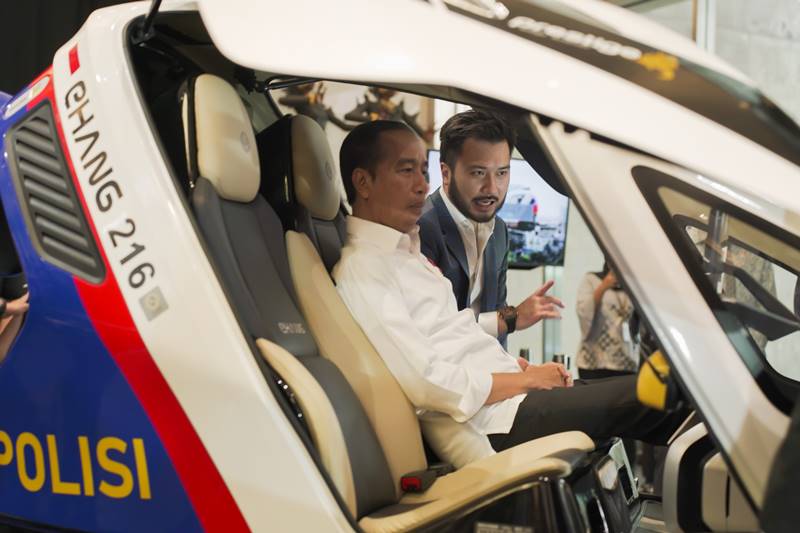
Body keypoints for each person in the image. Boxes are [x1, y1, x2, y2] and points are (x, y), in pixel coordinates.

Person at [333, 120, 685, 466]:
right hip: (492, 420)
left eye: (422, 171)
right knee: (666, 396)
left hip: (506, 398)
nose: (421, 185)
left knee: (661, 392)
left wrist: (518, 368)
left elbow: (456, 337)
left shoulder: (408, 254)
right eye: (406, 171)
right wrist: (524, 379)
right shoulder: (365, 267)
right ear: (363, 182)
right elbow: (427, 384)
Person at [418, 110, 562, 346]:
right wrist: (510, 319)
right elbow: (431, 331)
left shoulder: (500, 231)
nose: (492, 188)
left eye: (502, 173)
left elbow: (496, 325)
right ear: (446, 173)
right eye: (478, 173)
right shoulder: (421, 228)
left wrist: (512, 365)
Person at [575, 262, 638, 379]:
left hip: (626, 362)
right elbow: (584, 313)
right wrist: (603, 286)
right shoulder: (591, 280)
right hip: (593, 362)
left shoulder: (634, 284)